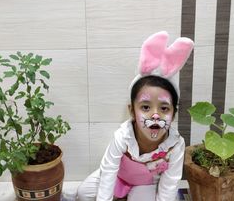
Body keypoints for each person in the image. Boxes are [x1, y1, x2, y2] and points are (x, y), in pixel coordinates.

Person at [76, 31, 194, 201]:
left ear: (174, 113)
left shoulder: (175, 145)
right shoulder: (123, 136)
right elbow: (109, 171)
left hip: (145, 184)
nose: (155, 115)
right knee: (84, 193)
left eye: (164, 108)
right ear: (132, 111)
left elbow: (169, 185)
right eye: (145, 107)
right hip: (119, 176)